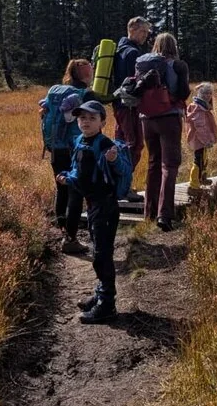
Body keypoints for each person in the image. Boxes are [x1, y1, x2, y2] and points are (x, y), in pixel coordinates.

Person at [65, 100, 130, 324]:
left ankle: (107, 305)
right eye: (82, 118)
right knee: (98, 251)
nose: (86, 122)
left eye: (92, 118)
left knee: (102, 255)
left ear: (103, 121)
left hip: (106, 205)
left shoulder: (105, 144)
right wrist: (67, 177)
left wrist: (113, 161)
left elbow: (120, 169)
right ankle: (101, 293)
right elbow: (80, 171)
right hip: (93, 204)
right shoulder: (80, 141)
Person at [40, 58, 98, 255]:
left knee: (61, 189)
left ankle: (63, 229)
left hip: (55, 148)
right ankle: (71, 240)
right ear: (86, 73)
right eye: (89, 69)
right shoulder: (86, 94)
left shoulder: (55, 90)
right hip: (76, 149)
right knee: (76, 191)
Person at [138, 33, 190, 232]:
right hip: (169, 117)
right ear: (174, 46)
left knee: (153, 163)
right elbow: (184, 92)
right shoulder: (178, 65)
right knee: (170, 165)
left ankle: (149, 213)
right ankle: (165, 215)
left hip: (147, 119)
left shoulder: (144, 63)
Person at [112, 16, 151, 202]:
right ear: (133, 29)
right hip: (129, 106)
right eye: (143, 31)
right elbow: (135, 83)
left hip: (118, 105)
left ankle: (116, 185)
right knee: (133, 145)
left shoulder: (118, 50)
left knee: (120, 144)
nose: (145, 36)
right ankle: (123, 187)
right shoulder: (133, 53)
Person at [185, 83, 217, 188]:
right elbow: (200, 127)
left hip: (200, 139)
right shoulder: (198, 108)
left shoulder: (202, 106)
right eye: (205, 93)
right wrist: (206, 141)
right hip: (199, 139)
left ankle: (201, 178)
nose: (208, 96)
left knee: (203, 158)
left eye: (210, 93)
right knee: (198, 160)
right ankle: (194, 184)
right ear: (200, 94)